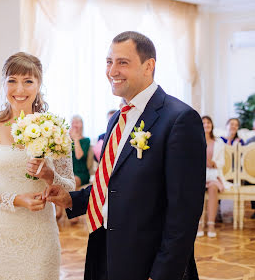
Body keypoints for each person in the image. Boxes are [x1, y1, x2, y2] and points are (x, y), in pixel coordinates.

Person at [44, 31, 205, 280]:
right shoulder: (117, 120)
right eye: (109, 62)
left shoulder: (179, 119)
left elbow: (184, 213)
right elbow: (111, 185)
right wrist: (70, 199)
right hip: (104, 249)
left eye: (123, 62)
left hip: (148, 262)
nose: (112, 71)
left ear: (148, 66)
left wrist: (163, 273)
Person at [0, 52, 75, 280]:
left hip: (40, 233)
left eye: (28, 81)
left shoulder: (56, 130)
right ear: (3, 84)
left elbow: (69, 185)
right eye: (12, 80)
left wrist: (51, 176)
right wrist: (16, 200)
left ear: (39, 85)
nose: (19, 90)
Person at [197, 116, 227, 238]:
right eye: (203, 123)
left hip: (213, 174)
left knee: (213, 188)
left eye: (208, 122)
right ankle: (198, 224)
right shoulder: (195, 141)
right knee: (196, 190)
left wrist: (213, 163)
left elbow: (222, 162)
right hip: (198, 174)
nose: (206, 125)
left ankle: (211, 224)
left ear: (212, 125)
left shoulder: (218, 143)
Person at [70, 115, 91, 188]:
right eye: (73, 123)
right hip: (70, 172)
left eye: (77, 122)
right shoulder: (68, 141)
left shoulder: (86, 140)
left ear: (82, 125)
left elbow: (79, 156)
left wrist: (76, 139)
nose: (75, 125)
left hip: (81, 173)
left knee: (72, 182)